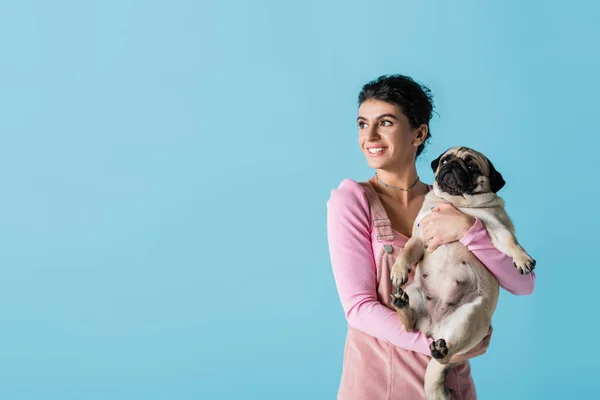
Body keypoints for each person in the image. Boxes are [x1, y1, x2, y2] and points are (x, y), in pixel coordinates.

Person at [326, 74, 536, 400]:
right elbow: (358, 308)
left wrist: (469, 231)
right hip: (382, 387)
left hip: (454, 388)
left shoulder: (454, 202)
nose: (370, 136)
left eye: (385, 123)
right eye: (362, 124)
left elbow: (524, 284)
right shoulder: (353, 200)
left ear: (419, 133)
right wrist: (442, 347)